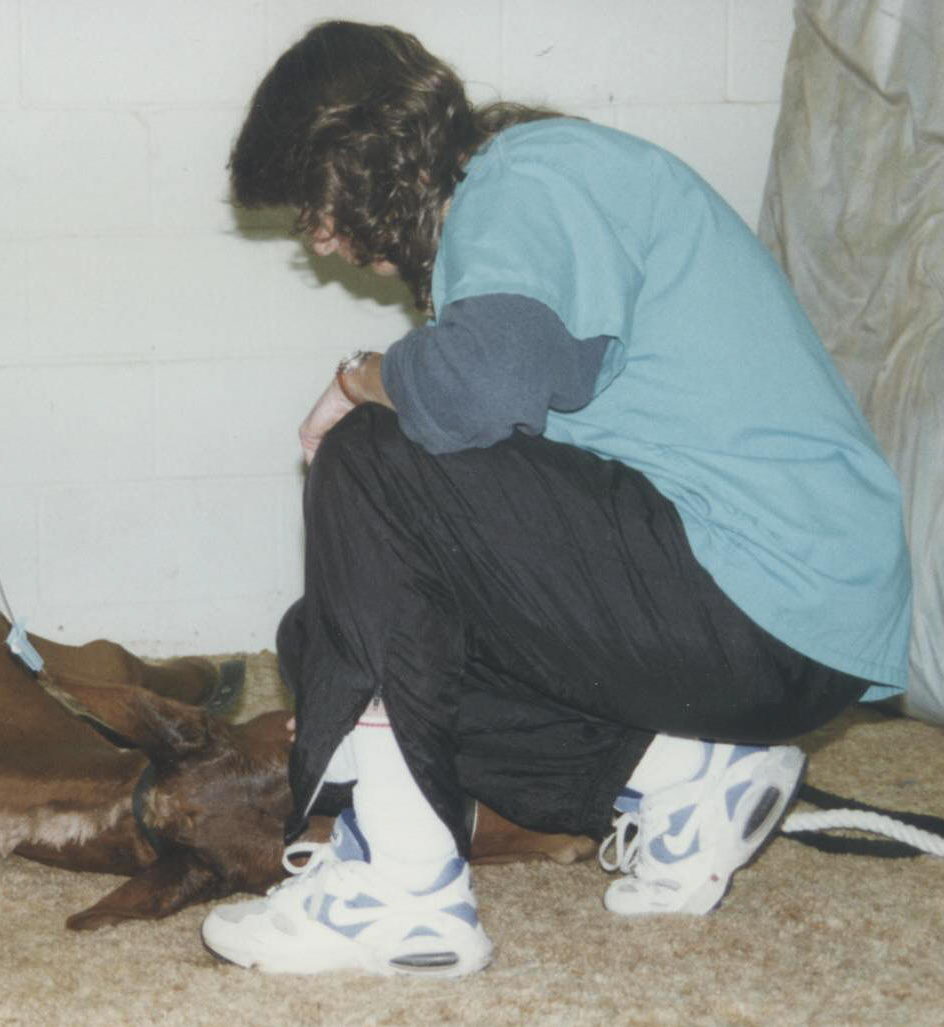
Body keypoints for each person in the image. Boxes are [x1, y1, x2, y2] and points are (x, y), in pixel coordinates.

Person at [200, 21, 911, 977]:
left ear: (363, 154)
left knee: (374, 452)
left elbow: (475, 388)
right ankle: (686, 773)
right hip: (760, 616)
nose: (319, 238)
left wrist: (358, 376)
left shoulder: (528, 175)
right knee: (330, 639)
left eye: (312, 203)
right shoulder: (531, 199)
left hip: (769, 587)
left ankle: (402, 890)